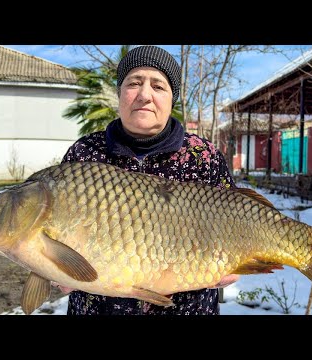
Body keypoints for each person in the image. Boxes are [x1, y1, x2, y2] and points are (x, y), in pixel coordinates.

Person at [54, 45, 239, 315]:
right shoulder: (84, 154)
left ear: (172, 99)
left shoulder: (205, 156)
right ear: (119, 93)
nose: (144, 95)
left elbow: (235, 220)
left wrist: (237, 259)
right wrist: (54, 267)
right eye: (134, 83)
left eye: (158, 86)